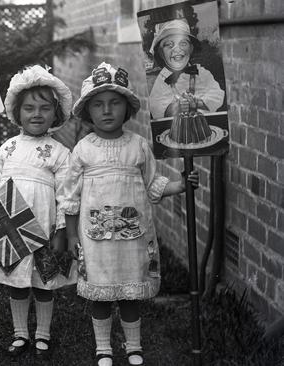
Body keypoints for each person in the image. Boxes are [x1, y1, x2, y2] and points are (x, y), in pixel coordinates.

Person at [65, 62, 200, 366]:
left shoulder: (138, 146)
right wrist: (72, 234)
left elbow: (152, 184)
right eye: (98, 105)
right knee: (101, 294)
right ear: (88, 112)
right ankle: (103, 348)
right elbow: (70, 197)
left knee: (129, 294)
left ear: (127, 108)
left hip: (133, 236)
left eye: (115, 103)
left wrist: (180, 185)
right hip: (95, 238)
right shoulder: (83, 150)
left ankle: (133, 346)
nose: (107, 110)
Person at [0, 65, 75, 359]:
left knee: (43, 281)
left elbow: (66, 194)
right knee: (17, 281)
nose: (36, 114)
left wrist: (62, 229)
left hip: (43, 225)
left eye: (44, 108)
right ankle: (20, 333)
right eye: (29, 108)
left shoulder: (60, 153)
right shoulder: (8, 148)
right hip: (14, 225)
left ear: (56, 114)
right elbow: (0, 187)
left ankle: (43, 334)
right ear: (17, 111)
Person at [147, 18, 225, 119]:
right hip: (176, 128)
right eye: (169, 45)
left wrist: (198, 102)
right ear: (161, 53)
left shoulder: (200, 72)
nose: (177, 49)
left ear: (191, 48)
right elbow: (156, 106)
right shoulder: (163, 77)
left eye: (183, 43)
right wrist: (174, 107)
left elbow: (217, 94)